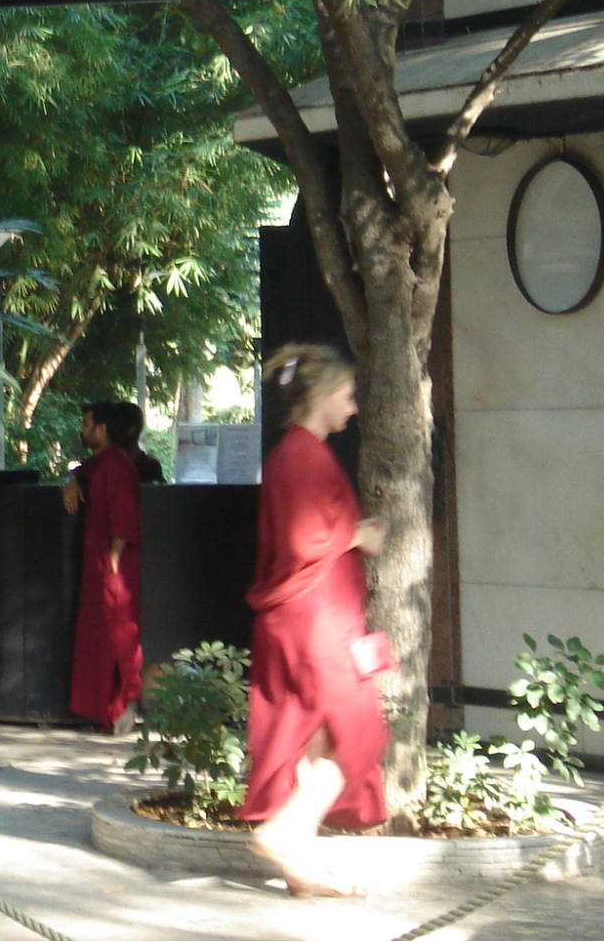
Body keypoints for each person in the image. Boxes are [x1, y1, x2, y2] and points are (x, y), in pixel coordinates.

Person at [240, 343, 390, 897]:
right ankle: (285, 831)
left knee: (312, 738)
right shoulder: (304, 455)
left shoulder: (293, 453)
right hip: (317, 619)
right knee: (358, 731)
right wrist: (358, 535)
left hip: (304, 615)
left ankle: (300, 870)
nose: (352, 407)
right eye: (347, 395)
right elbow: (304, 542)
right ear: (323, 395)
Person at [63, 401, 143, 733]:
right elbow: (82, 470)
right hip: (100, 567)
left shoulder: (118, 466)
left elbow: (124, 521)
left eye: (86, 424)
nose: (82, 430)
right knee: (98, 640)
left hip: (114, 569)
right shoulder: (102, 463)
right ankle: (104, 712)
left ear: (102, 429)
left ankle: (124, 705)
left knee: (117, 638)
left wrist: (112, 563)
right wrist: (71, 479)